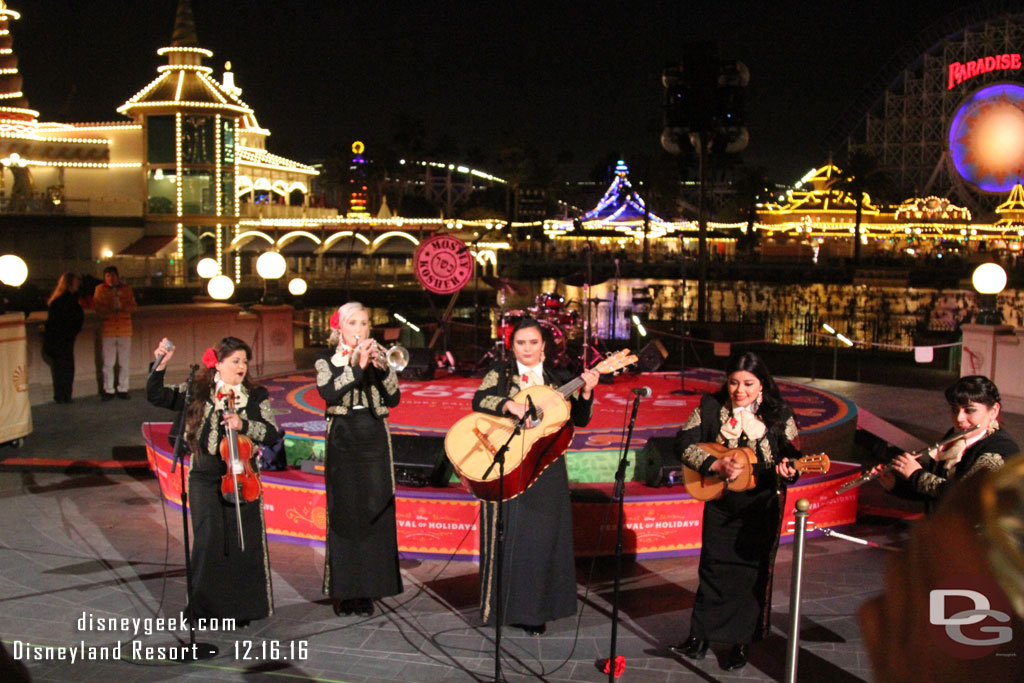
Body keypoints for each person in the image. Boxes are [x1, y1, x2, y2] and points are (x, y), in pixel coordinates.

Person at [671, 352, 800, 671]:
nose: (739, 390)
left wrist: (790, 471)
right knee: (713, 566)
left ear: (762, 385)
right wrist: (714, 463)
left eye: (748, 383)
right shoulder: (710, 407)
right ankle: (699, 636)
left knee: (749, 573)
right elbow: (683, 444)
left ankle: (740, 642)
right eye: (733, 382)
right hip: (720, 500)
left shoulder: (779, 414)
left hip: (760, 505)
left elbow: (794, 457)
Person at [472, 317, 599, 636]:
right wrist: (509, 405)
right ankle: (503, 606)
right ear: (511, 346)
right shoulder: (500, 373)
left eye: (533, 342)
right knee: (511, 535)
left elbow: (580, 420)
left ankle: (536, 610)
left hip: (547, 465)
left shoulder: (559, 378)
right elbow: (479, 401)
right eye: (520, 343)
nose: (526, 349)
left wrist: (587, 393)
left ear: (544, 345)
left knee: (542, 540)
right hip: (509, 462)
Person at [147, 336, 279, 625]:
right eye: (235, 361)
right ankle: (205, 610)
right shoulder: (197, 391)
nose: (242, 366)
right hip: (205, 476)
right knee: (208, 542)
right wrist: (160, 366)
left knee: (242, 543)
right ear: (217, 364)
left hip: (243, 477)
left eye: (245, 361)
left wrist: (242, 424)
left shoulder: (255, 395)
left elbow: (272, 433)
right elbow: (156, 396)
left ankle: (241, 608)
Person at [314, 302, 403, 617]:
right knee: (345, 511)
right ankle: (346, 591)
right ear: (340, 328)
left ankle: (368, 589)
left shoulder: (379, 357)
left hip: (375, 437)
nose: (360, 330)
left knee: (375, 510)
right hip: (343, 437)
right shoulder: (327, 359)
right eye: (353, 323)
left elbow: (393, 398)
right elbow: (329, 392)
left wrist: (381, 368)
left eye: (365, 324)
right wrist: (356, 366)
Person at [874, 375, 1017, 514]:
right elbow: (936, 493)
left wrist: (916, 475)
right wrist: (896, 485)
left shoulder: (1001, 449)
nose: (959, 418)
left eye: (970, 410)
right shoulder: (955, 436)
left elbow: (965, 497)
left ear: (994, 411)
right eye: (955, 410)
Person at [93, 265, 137, 400]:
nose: (110, 278)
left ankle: (123, 388)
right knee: (108, 363)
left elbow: (133, 306)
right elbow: (98, 307)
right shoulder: (100, 290)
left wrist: (122, 305)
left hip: (124, 329)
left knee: (124, 362)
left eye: (112, 275)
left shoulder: (126, 289)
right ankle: (108, 390)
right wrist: (112, 306)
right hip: (109, 330)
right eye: (108, 276)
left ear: (117, 276)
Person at [42, 272, 84, 403]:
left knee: (61, 369)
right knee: (66, 368)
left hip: (59, 339)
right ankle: (65, 395)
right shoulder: (70, 301)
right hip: (63, 339)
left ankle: (62, 395)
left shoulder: (58, 301)